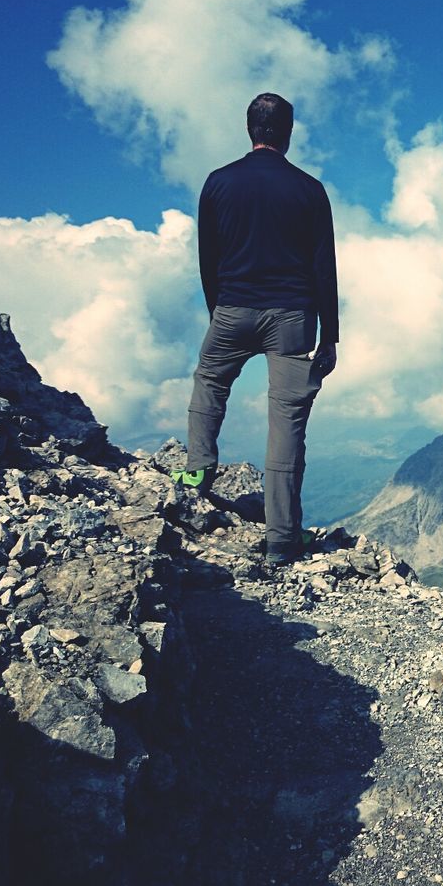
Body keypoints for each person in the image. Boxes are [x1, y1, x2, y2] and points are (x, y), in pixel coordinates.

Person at [173, 92, 338, 566]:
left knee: (209, 381)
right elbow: (323, 268)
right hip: (291, 318)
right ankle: (282, 541)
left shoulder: (218, 183)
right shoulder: (309, 189)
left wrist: (217, 311)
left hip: (232, 307)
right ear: (287, 132)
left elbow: (208, 258)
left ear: (249, 130)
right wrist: (330, 335)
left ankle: (198, 471)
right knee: (286, 424)